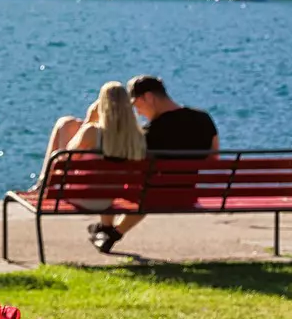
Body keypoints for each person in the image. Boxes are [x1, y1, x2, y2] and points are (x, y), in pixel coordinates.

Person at [92, 74, 221, 252]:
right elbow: (214, 158)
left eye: (136, 104)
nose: (136, 112)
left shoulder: (147, 134)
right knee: (150, 190)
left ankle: (106, 229)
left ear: (149, 98)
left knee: (115, 175)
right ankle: (113, 234)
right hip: (188, 195)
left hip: (153, 196)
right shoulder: (203, 119)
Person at [42, 80, 146, 175]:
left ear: (102, 106)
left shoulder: (92, 132)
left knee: (64, 125)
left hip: (84, 193)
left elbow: (66, 159)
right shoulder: (137, 136)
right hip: (119, 192)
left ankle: (41, 184)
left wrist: (89, 120)